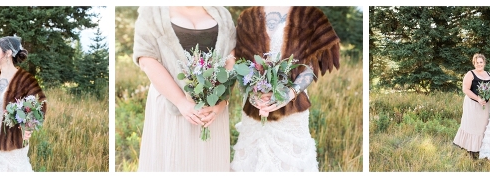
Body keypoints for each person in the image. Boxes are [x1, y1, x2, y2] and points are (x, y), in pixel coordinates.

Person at [230, 6, 340, 172]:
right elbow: (239, 64)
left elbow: (309, 67)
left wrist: (287, 94)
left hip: (292, 110)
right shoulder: (247, 17)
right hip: (255, 109)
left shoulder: (309, 15)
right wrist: (252, 94)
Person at [132, 6, 236, 171]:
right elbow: (147, 59)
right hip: (171, 104)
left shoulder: (221, 13)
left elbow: (231, 60)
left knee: (210, 163)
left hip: (212, 108)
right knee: (173, 162)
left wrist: (219, 103)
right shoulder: (152, 11)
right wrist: (181, 102)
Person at [0, 36, 46, 172]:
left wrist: (29, 127)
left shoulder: (26, 79)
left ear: (8, 53)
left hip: (13, 143)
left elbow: (41, 104)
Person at [452, 53, 490, 160]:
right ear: (474, 63)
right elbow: (465, 89)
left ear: (484, 63)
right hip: (473, 104)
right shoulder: (470, 74)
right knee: (472, 125)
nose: (479, 64)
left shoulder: (488, 74)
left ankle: (480, 148)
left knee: (483, 126)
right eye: (477, 62)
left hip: (485, 105)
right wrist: (478, 98)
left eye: (481, 62)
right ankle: (471, 150)